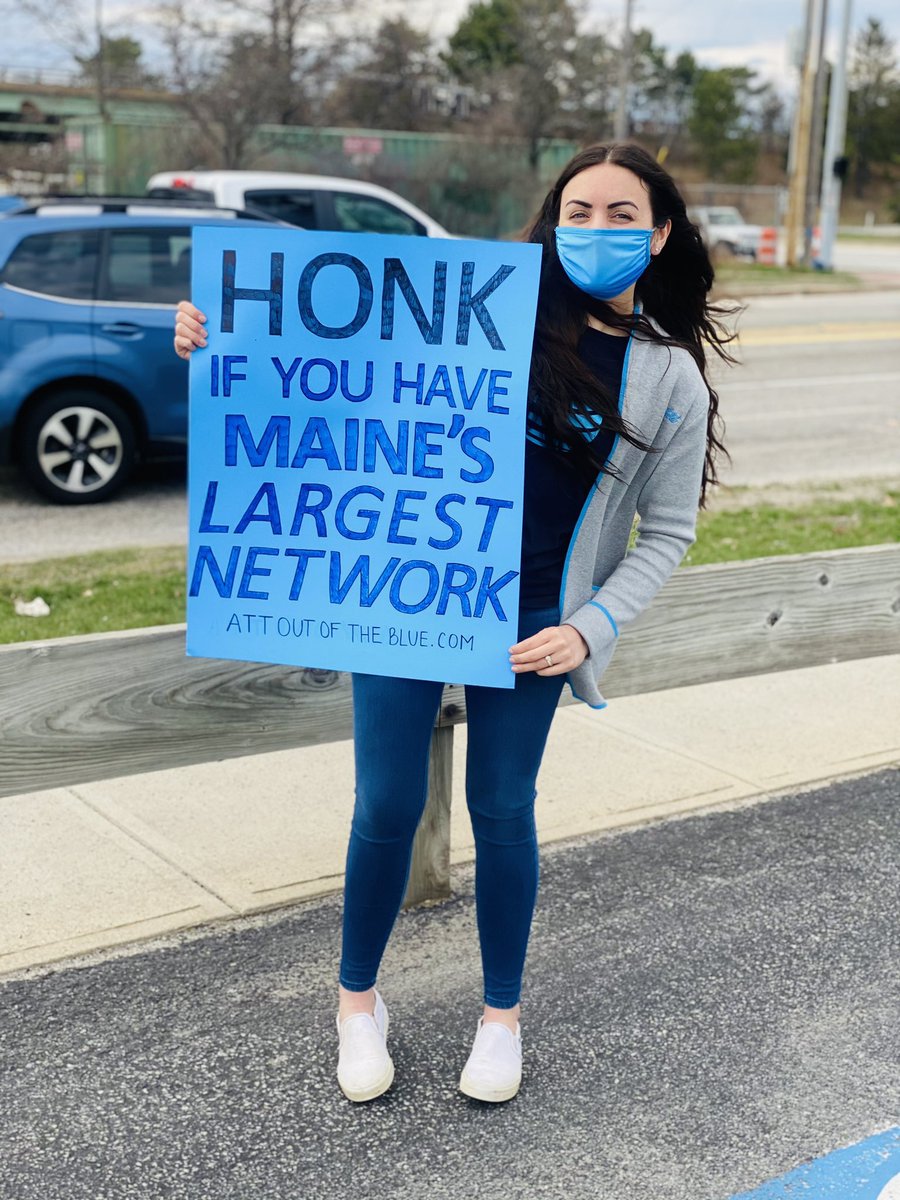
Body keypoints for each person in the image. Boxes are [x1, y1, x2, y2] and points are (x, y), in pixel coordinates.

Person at [174, 141, 733, 1107]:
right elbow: (322, 371)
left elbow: (668, 533)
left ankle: (501, 1017)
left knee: (503, 810)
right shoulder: (482, 307)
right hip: (403, 598)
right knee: (385, 806)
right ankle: (358, 1004)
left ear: (662, 230)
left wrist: (591, 627)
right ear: (553, 218)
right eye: (579, 210)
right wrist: (218, 335)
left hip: (532, 629)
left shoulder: (670, 379)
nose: (596, 231)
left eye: (620, 214)